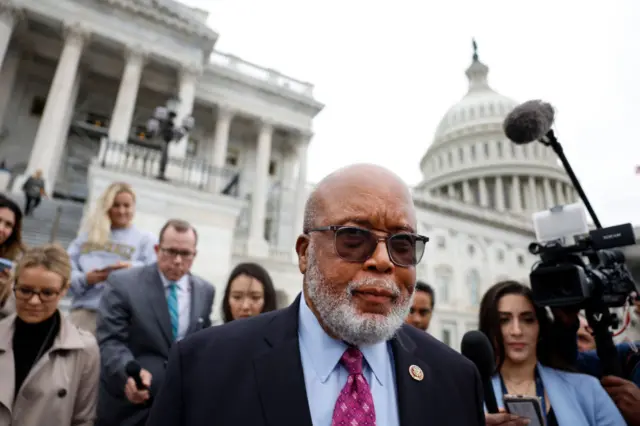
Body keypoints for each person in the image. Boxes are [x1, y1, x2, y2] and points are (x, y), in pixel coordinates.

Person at [146, 164, 485, 426]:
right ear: (305, 253)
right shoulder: (202, 368)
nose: (383, 261)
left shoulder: (455, 380)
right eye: (353, 238)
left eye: (402, 244)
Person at [96, 219, 215, 426]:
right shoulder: (124, 284)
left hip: (179, 409)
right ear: (157, 249)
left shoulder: (205, 291)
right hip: (130, 407)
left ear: (194, 254)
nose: (177, 260)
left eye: (185, 254)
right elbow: (111, 341)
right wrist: (127, 375)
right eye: (170, 251)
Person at [480, 280, 625, 426]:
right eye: (504, 320)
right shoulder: (468, 393)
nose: (516, 331)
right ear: (489, 328)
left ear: (540, 326)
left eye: (528, 320)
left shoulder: (587, 389)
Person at [0, 244, 100, 425]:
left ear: (64, 290)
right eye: (25, 290)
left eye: (47, 293)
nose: (34, 301)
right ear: (14, 285)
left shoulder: (84, 349)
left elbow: (83, 419)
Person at [67, 182, 157, 334]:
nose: (122, 211)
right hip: (86, 313)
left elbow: (155, 274)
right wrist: (88, 279)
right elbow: (65, 272)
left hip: (124, 317)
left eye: (126, 205)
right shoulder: (85, 238)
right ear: (107, 207)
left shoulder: (146, 240)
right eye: (116, 205)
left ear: (133, 207)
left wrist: (130, 270)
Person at [0, 195, 26, 319]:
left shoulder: (17, 261)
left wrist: (4, 287)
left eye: (8, 225)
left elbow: (15, 311)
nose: (1, 229)